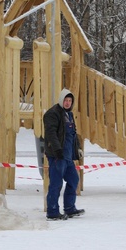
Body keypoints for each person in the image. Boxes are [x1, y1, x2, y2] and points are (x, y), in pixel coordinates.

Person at [43, 88, 85, 220]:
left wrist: (77, 148)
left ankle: (69, 208)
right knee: (56, 183)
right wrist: (57, 150)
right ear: (61, 100)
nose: (67, 103)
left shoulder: (69, 115)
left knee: (73, 179)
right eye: (65, 100)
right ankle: (52, 211)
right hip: (57, 156)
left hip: (67, 156)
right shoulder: (52, 114)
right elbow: (51, 134)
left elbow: (73, 134)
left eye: (70, 101)